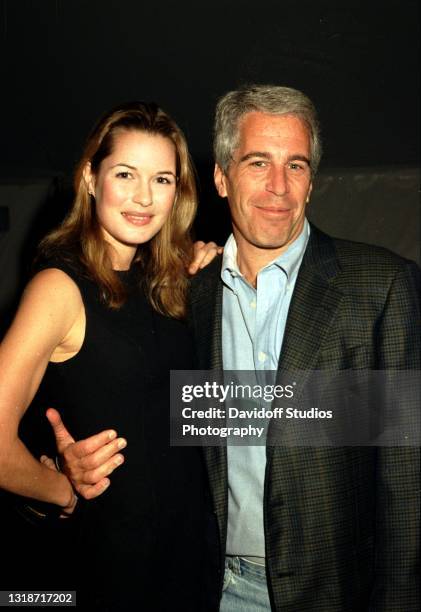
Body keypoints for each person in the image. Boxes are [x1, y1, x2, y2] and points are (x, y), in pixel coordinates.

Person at [48, 85, 420, 611]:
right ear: (221, 177)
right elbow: (146, 419)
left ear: (312, 182)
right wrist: (63, 468)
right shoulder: (182, 294)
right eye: (257, 162)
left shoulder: (380, 286)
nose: (278, 187)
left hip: (334, 592)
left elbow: (407, 482)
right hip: (201, 585)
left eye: (296, 166)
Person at [0, 101, 222, 610]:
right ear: (90, 178)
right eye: (126, 174)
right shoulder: (58, 286)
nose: (144, 197)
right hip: (111, 576)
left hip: (189, 569)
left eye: (162, 179)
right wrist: (60, 488)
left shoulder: (170, 284)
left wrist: (203, 267)